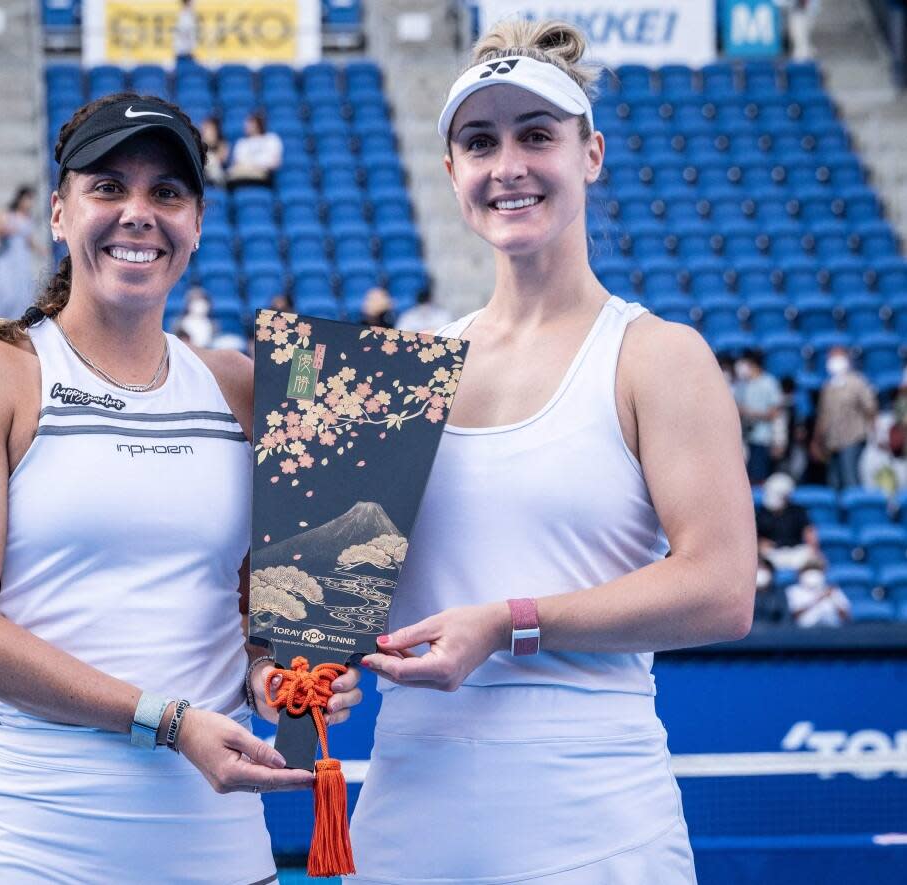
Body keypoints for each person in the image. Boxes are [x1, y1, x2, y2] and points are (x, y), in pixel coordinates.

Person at [0, 91, 361, 882]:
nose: (138, 213)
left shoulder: (244, 388)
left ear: (196, 222)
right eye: (108, 187)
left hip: (222, 848)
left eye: (167, 192)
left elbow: (259, 612)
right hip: (38, 847)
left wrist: (276, 674)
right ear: (59, 212)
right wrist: (170, 720)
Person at [349, 20, 754, 883]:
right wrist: (288, 643)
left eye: (538, 135)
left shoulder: (656, 355)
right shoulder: (395, 376)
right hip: (406, 829)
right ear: (452, 170)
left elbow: (722, 591)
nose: (510, 166)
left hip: (594, 831)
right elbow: (338, 596)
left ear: (591, 153)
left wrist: (507, 623)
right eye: (480, 141)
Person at [811, 345, 876, 490]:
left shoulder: (857, 382)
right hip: (831, 442)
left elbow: (870, 409)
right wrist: (817, 441)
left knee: (850, 479)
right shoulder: (828, 387)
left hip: (852, 438)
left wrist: (874, 433)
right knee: (833, 482)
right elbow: (823, 415)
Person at [0, 186, 38, 327]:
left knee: (21, 291)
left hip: (21, 258)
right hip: (7, 258)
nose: (30, 203)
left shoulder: (28, 218)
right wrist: (7, 230)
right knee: (5, 289)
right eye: (27, 199)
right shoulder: (7, 214)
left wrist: (42, 250)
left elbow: (29, 241)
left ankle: (15, 323)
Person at [734, 349, 783, 485]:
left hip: (762, 438)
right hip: (743, 438)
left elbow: (775, 412)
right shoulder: (741, 384)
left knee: (758, 477)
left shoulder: (769, 383)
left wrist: (752, 413)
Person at [756, 472, 820, 571]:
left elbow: (809, 533)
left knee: (813, 562)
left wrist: (814, 549)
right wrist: (760, 545)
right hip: (773, 554)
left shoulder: (798, 511)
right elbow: (756, 539)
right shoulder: (761, 515)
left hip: (796, 552)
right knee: (761, 574)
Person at [226, 112, 283, 189]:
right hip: (242, 176)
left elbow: (274, 162)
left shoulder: (271, 139)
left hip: (263, 176)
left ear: (257, 124)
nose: (246, 126)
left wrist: (253, 165)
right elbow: (239, 161)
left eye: (250, 124)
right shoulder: (242, 142)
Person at [786, 560, 850, 627]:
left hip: (832, 629)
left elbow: (846, 616)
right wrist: (819, 598)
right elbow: (794, 615)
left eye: (816, 571)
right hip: (806, 631)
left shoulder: (832, 590)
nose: (813, 576)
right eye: (808, 572)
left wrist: (833, 599)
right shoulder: (794, 591)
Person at [753, 556, 789, 626]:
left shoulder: (779, 592)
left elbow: (785, 618)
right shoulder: (744, 595)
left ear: (770, 572)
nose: (760, 573)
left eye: (763, 569)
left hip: (774, 634)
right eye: (758, 569)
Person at [200, 116, 229, 187]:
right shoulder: (200, 143)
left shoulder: (222, 144)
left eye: (210, 129)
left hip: (217, 176)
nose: (207, 131)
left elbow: (221, 159)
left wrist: (211, 142)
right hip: (204, 172)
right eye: (205, 129)